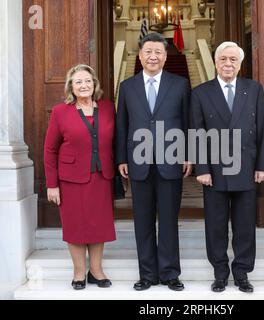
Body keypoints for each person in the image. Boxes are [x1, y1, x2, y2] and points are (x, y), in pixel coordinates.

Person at [190, 41, 264, 293]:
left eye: (233, 60)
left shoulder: (254, 89)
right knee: (215, 224)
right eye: (223, 59)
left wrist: (263, 165)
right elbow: (196, 133)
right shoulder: (201, 92)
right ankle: (220, 274)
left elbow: (261, 131)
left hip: (246, 167)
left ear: (240, 63)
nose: (228, 64)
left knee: (244, 224)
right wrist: (201, 168)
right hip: (213, 171)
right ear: (215, 62)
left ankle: (242, 273)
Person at [115, 33, 192, 291]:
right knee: (143, 221)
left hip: (171, 162)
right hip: (138, 163)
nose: (153, 56)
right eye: (148, 52)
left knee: (169, 220)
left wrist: (188, 154)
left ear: (165, 56)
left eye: (158, 52)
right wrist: (122, 158)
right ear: (140, 55)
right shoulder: (127, 87)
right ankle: (147, 274)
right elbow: (122, 126)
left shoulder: (180, 85)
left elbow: (187, 122)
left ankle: (170, 273)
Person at [44, 64, 116, 290]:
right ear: (71, 88)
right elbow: (50, 150)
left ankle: (96, 270)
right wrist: (52, 185)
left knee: (99, 225)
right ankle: (78, 273)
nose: (84, 85)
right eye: (78, 82)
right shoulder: (60, 112)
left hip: (101, 177)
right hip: (71, 180)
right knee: (75, 226)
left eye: (88, 81)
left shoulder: (107, 108)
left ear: (94, 84)